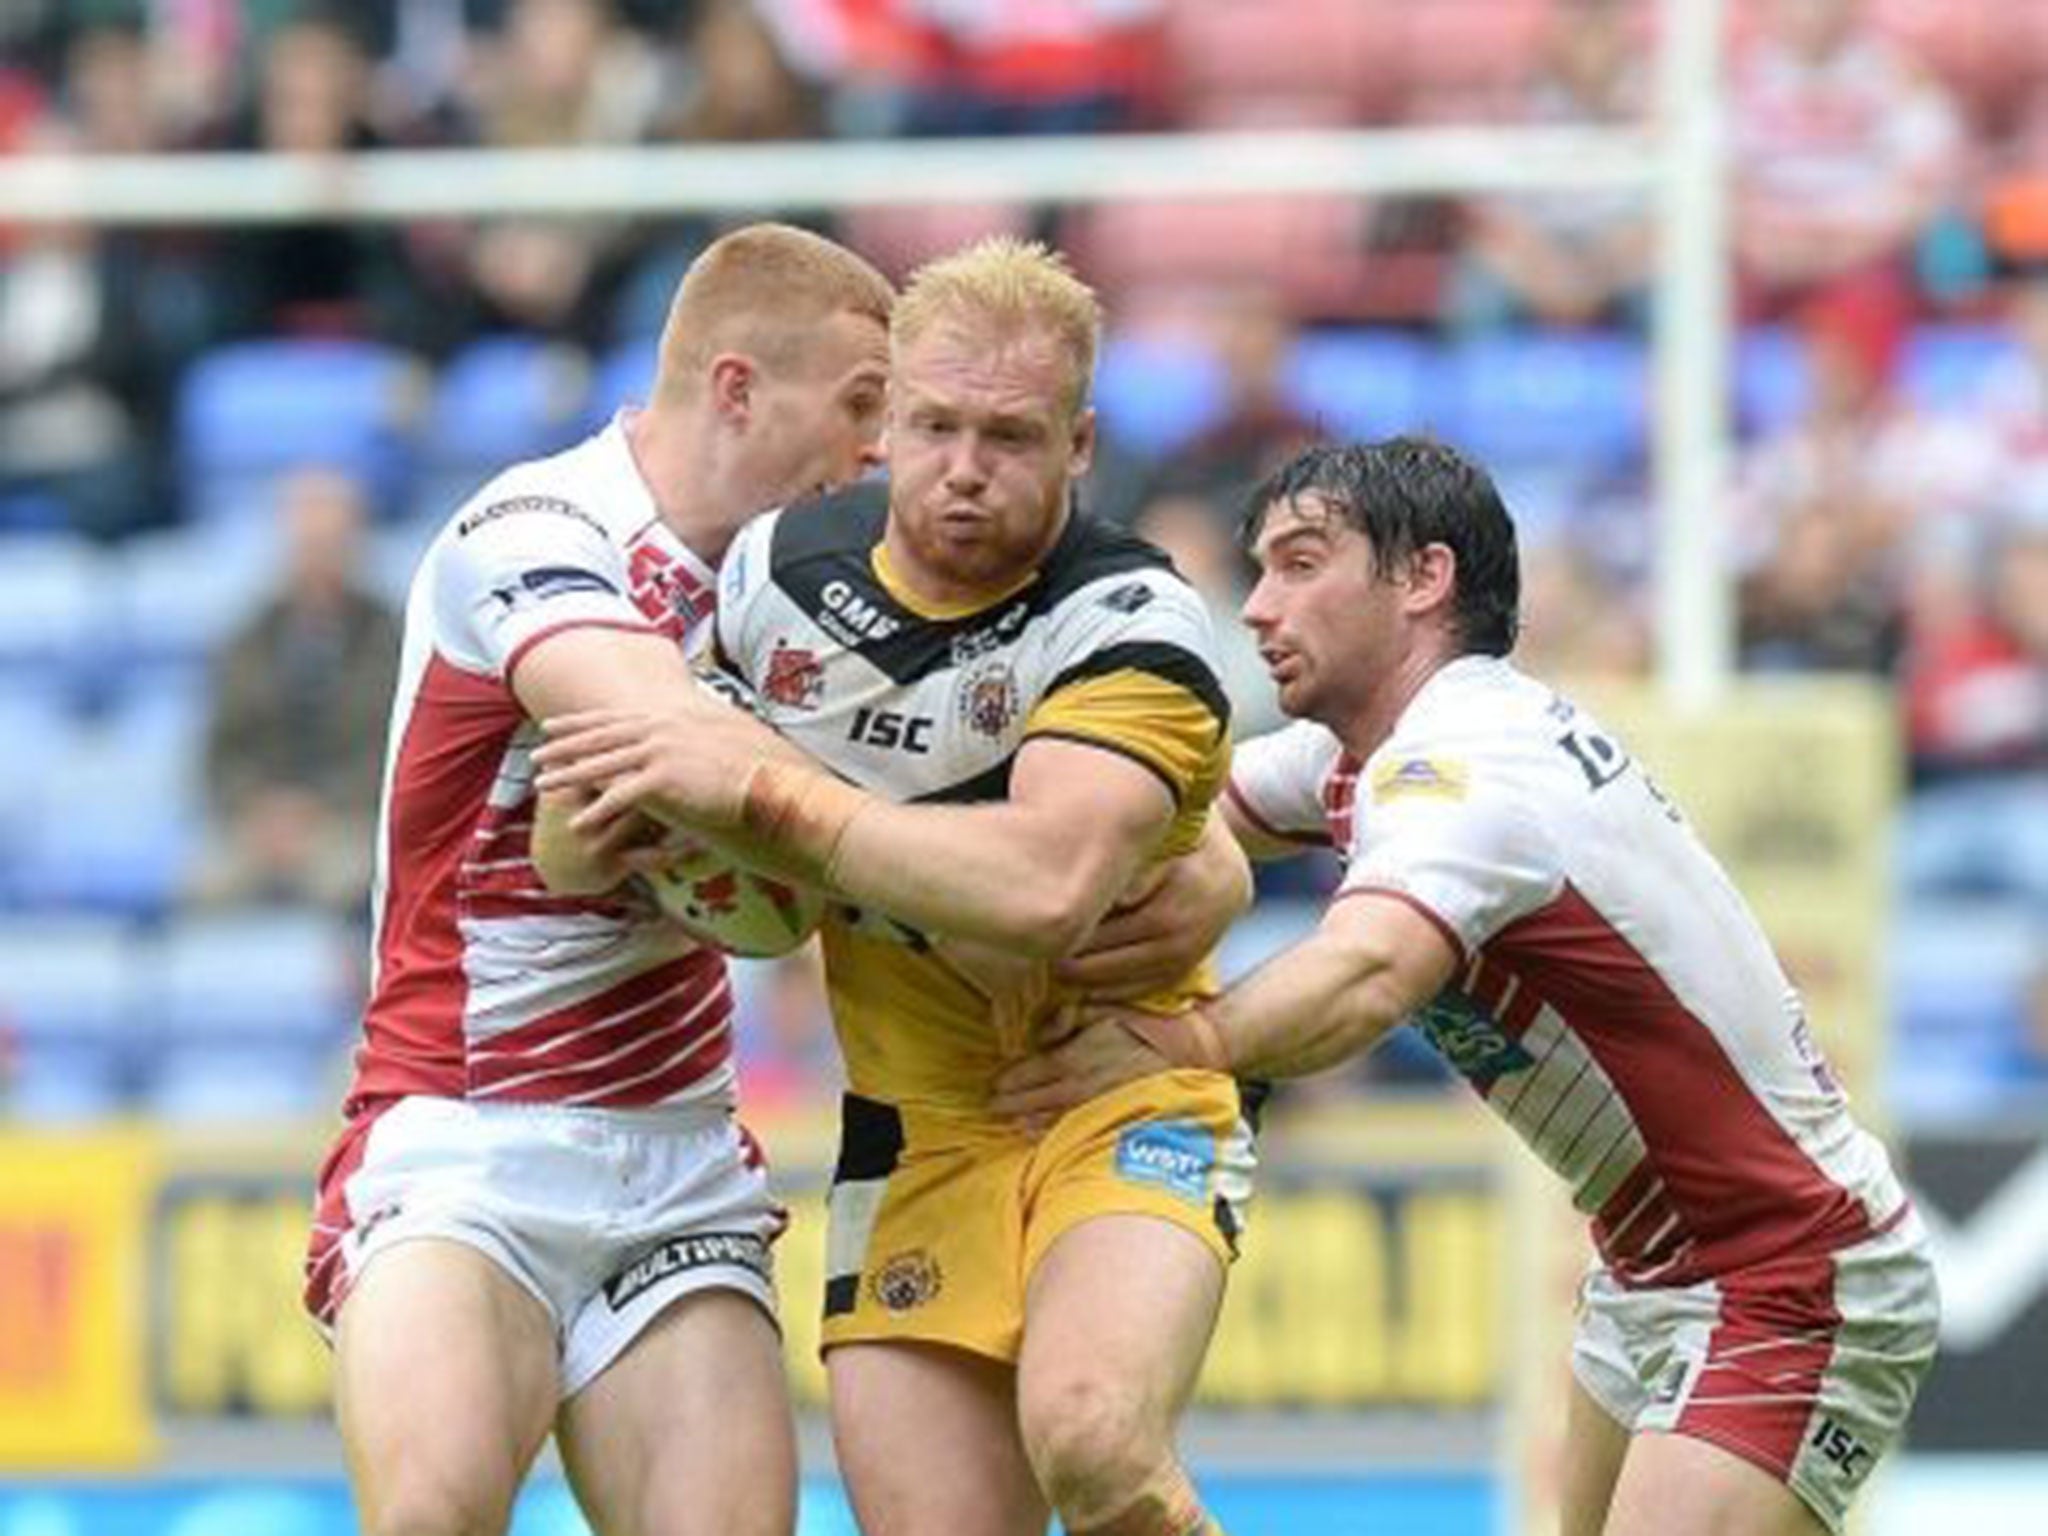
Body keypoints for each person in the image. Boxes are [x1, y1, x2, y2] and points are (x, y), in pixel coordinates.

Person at [991, 438, 1941, 1536]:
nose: (1254, 609)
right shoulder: (1376, 754)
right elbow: (1157, 825)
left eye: (1300, 564)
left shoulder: (1468, 762)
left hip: (1786, 1274)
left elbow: (1367, 971)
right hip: (1652, 1268)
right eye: (1256, 570)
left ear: (1423, 579)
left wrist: (1178, 1045)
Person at [535, 236, 1255, 1536]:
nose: (965, 469)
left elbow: (1042, 888)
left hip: (1114, 1096)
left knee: (1093, 1441)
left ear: (1080, 445)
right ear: (886, 420)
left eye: (1011, 436)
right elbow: (626, 832)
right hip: (910, 1131)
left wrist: (769, 798)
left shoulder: (1128, 621)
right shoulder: (774, 575)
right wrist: (653, 842)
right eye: (933, 425)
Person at [299, 221, 896, 1536]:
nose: (881, 453)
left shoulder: (811, 595)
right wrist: (848, 829)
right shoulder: (530, 526)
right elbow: (652, 723)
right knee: (431, 1518)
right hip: (467, 1144)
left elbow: (744, 847)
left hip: (676, 1156)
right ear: (736, 388)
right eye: (861, 408)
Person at [192, 467, 400, 915]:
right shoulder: (245, 638)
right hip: (254, 824)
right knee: (204, 888)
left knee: (349, 883)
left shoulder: (395, 640)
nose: (318, 558)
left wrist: (319, 810)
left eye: (330, 544)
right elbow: (219, 750)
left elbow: (397, 752)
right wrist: (258, 809)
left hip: (353, 820)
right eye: (307, 544)